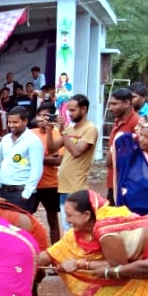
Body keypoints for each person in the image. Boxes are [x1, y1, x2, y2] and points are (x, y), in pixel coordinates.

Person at [51, 94, 98, 231]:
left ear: (83, 109)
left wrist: (63, 132)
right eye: (68, 110)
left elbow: (77, 152)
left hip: (77, 186)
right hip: (64, 185)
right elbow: (52, 148)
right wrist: (49, 131)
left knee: (77, 227)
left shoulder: (90, 129)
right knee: (67, 226)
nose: (69, 113)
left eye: (72, 110)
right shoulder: (70, 129)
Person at [0, 107, 44, 212]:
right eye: (9, 122)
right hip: (2, 191)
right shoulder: (5, 139)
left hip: (21, 193)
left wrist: (27, 192)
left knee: (20, 226)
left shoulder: (33, 141)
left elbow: (37, 168)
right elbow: (0, 162)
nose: (11, 125)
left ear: (25, 121)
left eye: (15, 122)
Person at [105, 88, 141, 204]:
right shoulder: (118, 122)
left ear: (126, 103)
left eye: (115, 104)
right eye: (110, 104)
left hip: (126, 183)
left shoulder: (137, 123)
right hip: (114, 180)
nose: (111, 108)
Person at [33, 102, 63, 243]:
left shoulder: (57, 135)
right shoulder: (30, 134)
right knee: (26, 217)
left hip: (50, 183)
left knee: (52, 218)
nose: (41, 118)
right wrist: (47, 158)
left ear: (52, 117)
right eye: (39, 115)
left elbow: (58, 160)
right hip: (31, 183)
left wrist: (37, 158)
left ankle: (55, 251)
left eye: (45, 115)